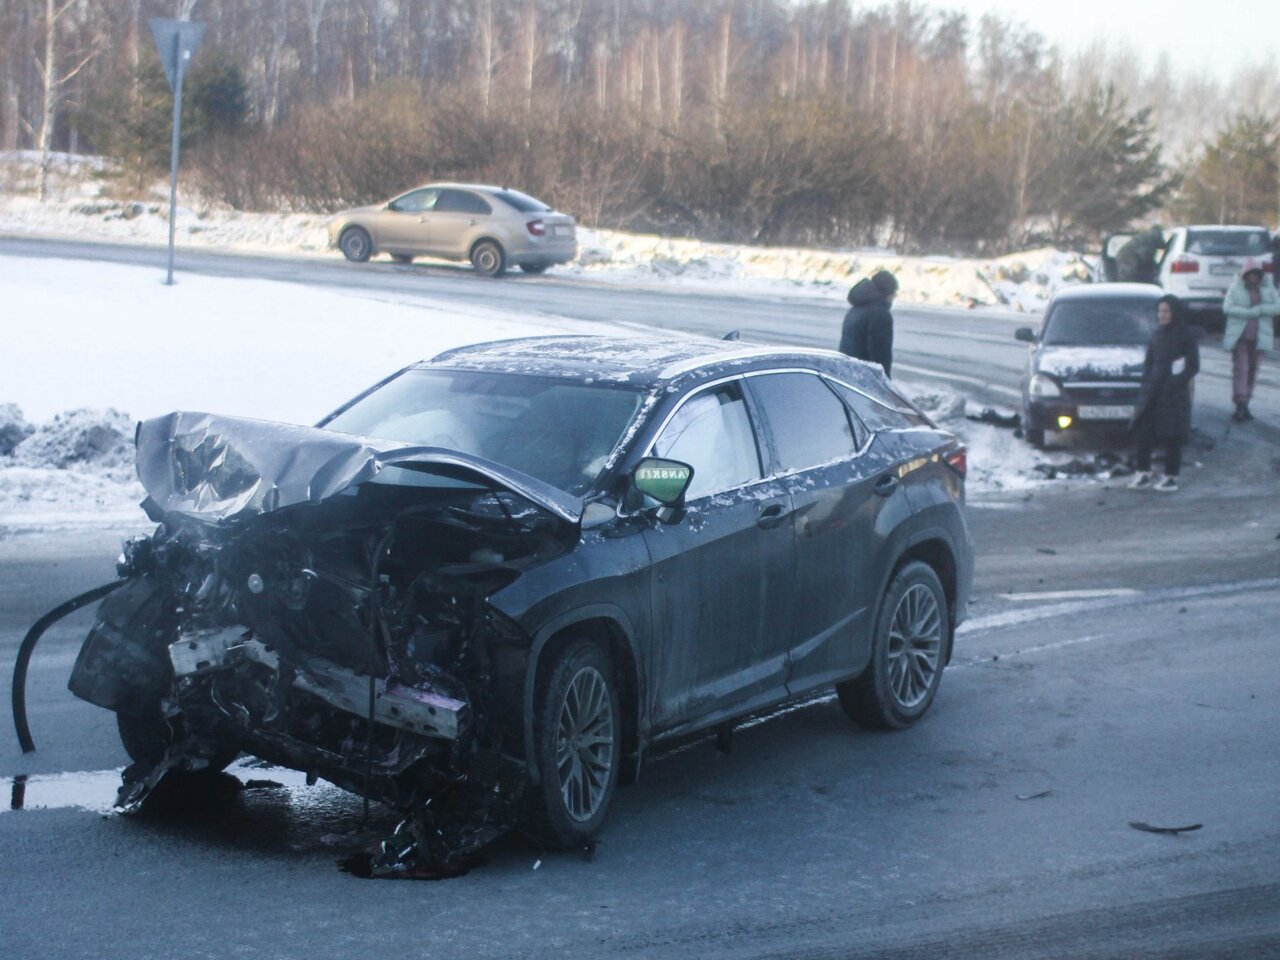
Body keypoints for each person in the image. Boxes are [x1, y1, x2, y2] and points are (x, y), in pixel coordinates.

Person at [1129, 294, 1199, 492]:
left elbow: (1193, 366)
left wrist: (1176, 382)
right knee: (1143, 430)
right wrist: (1146, 384)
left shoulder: (1185, 335)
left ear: (1175, 312)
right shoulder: (1156, 334)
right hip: (1153, 391)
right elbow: (1149, 363)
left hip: (1173, 394)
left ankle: (1171, 476)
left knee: (1172, 435)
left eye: (1166, 311)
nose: (1162, 315)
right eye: (1160, 311)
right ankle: (1143, 472)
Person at [1222, 259, 1278, 422]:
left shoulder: (1267, 289)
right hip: (1240, 337)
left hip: (1259, 338)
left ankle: (1246, 402)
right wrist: (1249, 313)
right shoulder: (1236, 288)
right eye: (1250, 275)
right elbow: (1228, 307)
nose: (1253, 279)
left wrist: (1260, 309)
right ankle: (1240, 402)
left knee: (1253, 371)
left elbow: (1277, 306)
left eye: (1256, 275)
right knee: (1242, 369)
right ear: (1245, 276)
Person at [839, 269, 898, 376]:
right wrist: (884, 383)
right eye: (894, 292)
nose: (895, 296)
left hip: (847, 373)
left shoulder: (855, 309)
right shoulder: (879, 314)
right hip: (864, 378)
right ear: (887, 292)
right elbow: (880, 354)